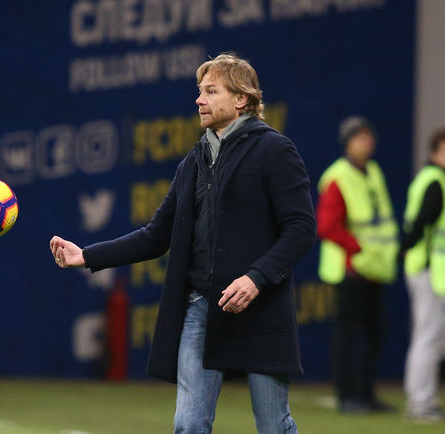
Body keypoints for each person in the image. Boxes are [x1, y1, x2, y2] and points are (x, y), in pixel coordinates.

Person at [50, 53, 316, 433]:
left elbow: (301, 228)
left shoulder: (275, 150)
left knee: (274, 425)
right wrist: (87, 256)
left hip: (260, 307)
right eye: (199, 91)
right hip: (200, 308)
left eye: (211, 91)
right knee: (188, 425)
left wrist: (256, 278)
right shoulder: (194, 161)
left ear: (241, 99)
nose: (199, 100)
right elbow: (156, 235)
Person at [316, 115, 399, 413]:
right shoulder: (338, 177)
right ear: (347, 143)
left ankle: (366, 394)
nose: (366, 142)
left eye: (368, 136)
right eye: (359, 137)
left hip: (374, 268)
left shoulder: (373, 171)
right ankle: (346, 396)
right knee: (347, 335)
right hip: (350, 269)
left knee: (375, 333)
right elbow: (326, 226)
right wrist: (357, 249)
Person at [400, 128, 445, 422]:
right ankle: (420, 402)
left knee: (430, 338)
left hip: (427, 269)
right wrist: (408, 251)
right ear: (434, 151)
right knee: (428, 338)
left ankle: (423, 399)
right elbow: (418, 228)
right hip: (428, 269)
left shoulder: (432, 179)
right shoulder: (435, 182)